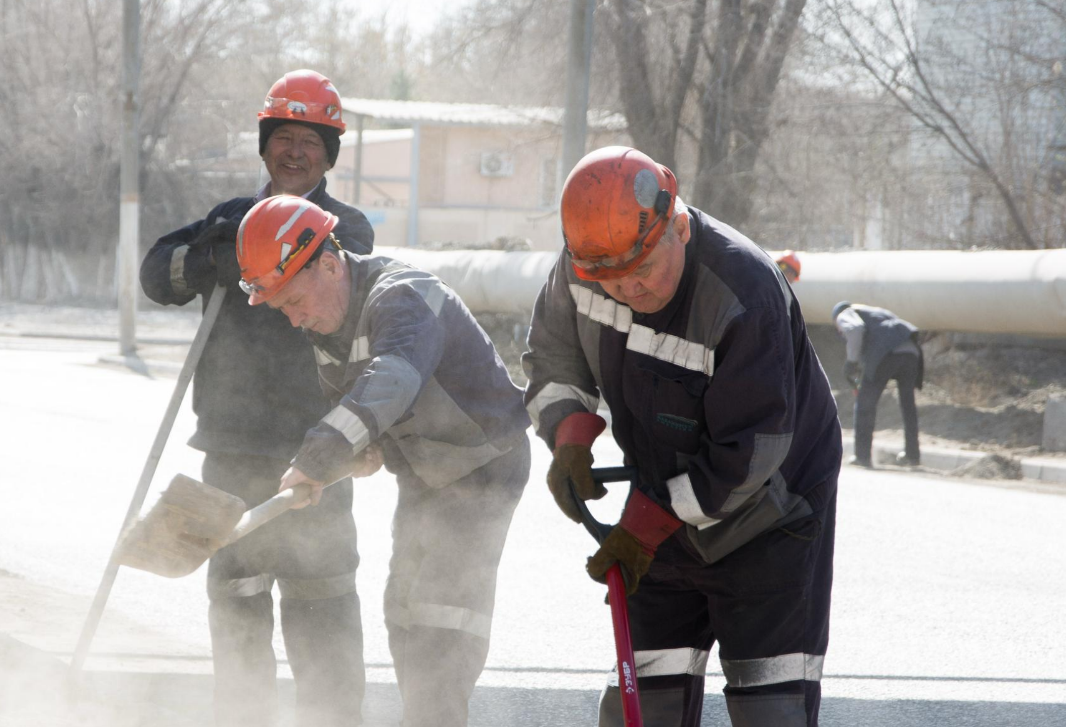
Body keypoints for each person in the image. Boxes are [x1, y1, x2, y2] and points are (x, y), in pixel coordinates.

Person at [522, 146, 842, 726]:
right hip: (661, 499)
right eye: (611, 280)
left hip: (773, 517)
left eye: (642, 272)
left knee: (770, 705)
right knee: (644, 700)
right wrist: (569, 439)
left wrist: (641, 529)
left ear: (680, 228)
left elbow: (749, 455)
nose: (630, 293)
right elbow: (552, 361)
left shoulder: (744, 295)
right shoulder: (584, 265)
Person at [233, 194, 532, 727]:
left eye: (295, 302)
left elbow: (390, 380)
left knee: (443, 620)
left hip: (481, 466)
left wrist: (319, 454)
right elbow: (360, 419)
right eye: (284, 310)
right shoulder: (327, 329)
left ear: (328, 263)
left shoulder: (404, 297)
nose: (296, 319)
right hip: (425, 472)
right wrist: (349, 458)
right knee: (405, 610)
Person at [139, 70, 371, 727]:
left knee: (322, 600)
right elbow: (159, 274)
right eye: (283, 137)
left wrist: (245, 247)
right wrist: (207, 254)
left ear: (329, 154)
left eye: (311, 140)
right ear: (265, 145)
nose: (295, 151)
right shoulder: (227, 221)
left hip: (318, 449)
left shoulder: (344, 227)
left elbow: (337, 271)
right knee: (236, 600)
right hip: (232, 446)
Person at [831, 301, 924, 469]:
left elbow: (854, 330)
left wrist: (851, 362)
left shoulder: (845, 313)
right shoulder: (877, 312)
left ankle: (862, 457)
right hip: (911, 352)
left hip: (887, 354)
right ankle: (913, 456)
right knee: (908, 405)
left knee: (865, 404)